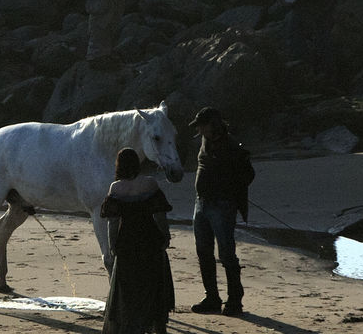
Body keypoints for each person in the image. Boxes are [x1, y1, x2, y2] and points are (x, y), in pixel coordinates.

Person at [188, 107, 255, 316]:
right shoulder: (205, 139)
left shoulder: (233, 146)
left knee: (226, 254)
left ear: (213, 124)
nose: (199, 129)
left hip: (222, 205)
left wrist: (230, 189)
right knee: (203, 252)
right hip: (201, 204)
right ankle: (212, 298)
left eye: (202, 125)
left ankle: (235, 301)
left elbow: (248, 175)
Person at [100, 147, 174, 334]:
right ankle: (157, 326)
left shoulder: (116, 188)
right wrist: (165, 237)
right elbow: (160, 216)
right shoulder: (150, 184)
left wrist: (112, 247)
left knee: (128, 290)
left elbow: (113, 222)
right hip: (150, 241)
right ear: (137, 164)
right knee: (153, 286)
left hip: (127, 243)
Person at [86, 0, 125, 69]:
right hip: (101, 8)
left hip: (108, 8)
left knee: (107, 30)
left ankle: (105, 54)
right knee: (99, 30)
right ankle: (96, 57)